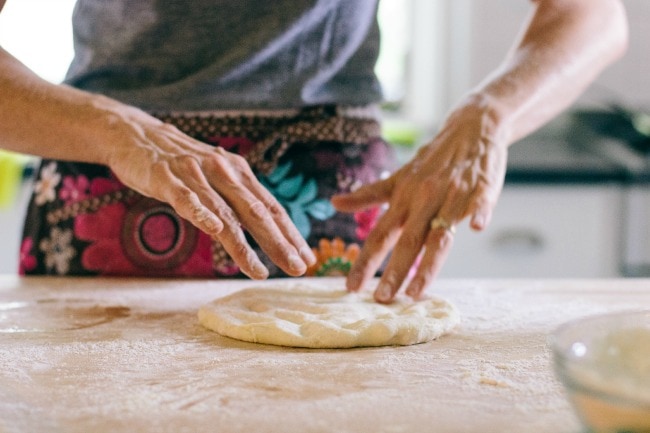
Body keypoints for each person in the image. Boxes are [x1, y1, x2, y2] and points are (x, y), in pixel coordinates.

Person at [0, 0, 628, 303]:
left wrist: (491, 112)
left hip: (328, 209)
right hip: (112, 188)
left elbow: (592, 16)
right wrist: (121, 131)